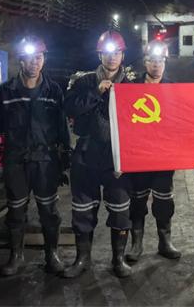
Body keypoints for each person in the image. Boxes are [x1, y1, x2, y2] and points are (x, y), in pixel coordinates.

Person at [0, 36, 69, 276]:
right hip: (16, 160)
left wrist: (65, 159)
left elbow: (62, 127)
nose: (34, 62)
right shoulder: (6, 91)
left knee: (49, 211)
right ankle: (16, 257)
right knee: (16, 210)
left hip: (45, 161)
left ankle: (52, 255)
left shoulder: (53, 91)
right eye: (29, 58)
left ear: (44, 60)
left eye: (39, 57)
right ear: (21, 61)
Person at [63, 30, 133, 278]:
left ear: (123, 55)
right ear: (99, 54)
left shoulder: (132, 86)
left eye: (117, 52)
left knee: (120, 210)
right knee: (83, 209)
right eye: (107, 52)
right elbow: (69, 108)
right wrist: (96, 92)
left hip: (117, 159)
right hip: (86, 155)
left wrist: (130, 159)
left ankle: (118, 260)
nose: (112, 57)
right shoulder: (83, 82)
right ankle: (82, 259)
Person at [125, 41, 181, 263]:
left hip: (163, 156)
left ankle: (164, 241)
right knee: (137, 200)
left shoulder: (173, 89)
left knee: (164, 200)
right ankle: (136, 243)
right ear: (145, 62)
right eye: (152, 60)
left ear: (165, 63)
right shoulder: (130, 88)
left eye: (160, 61)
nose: (156, 65)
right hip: (139, 155)